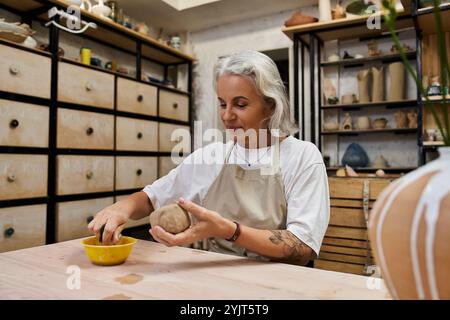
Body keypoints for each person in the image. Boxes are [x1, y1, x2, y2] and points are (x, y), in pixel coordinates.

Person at [88, 50, 330, 266]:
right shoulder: (210, 156)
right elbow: (151, 198)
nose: (227, 116)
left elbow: (302, 247)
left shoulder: (302, 157)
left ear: (271, 105)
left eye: (241, 104)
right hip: (215, 277)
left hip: (280, 285)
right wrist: (122, 208)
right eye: (222, 103)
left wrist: (230, 231)